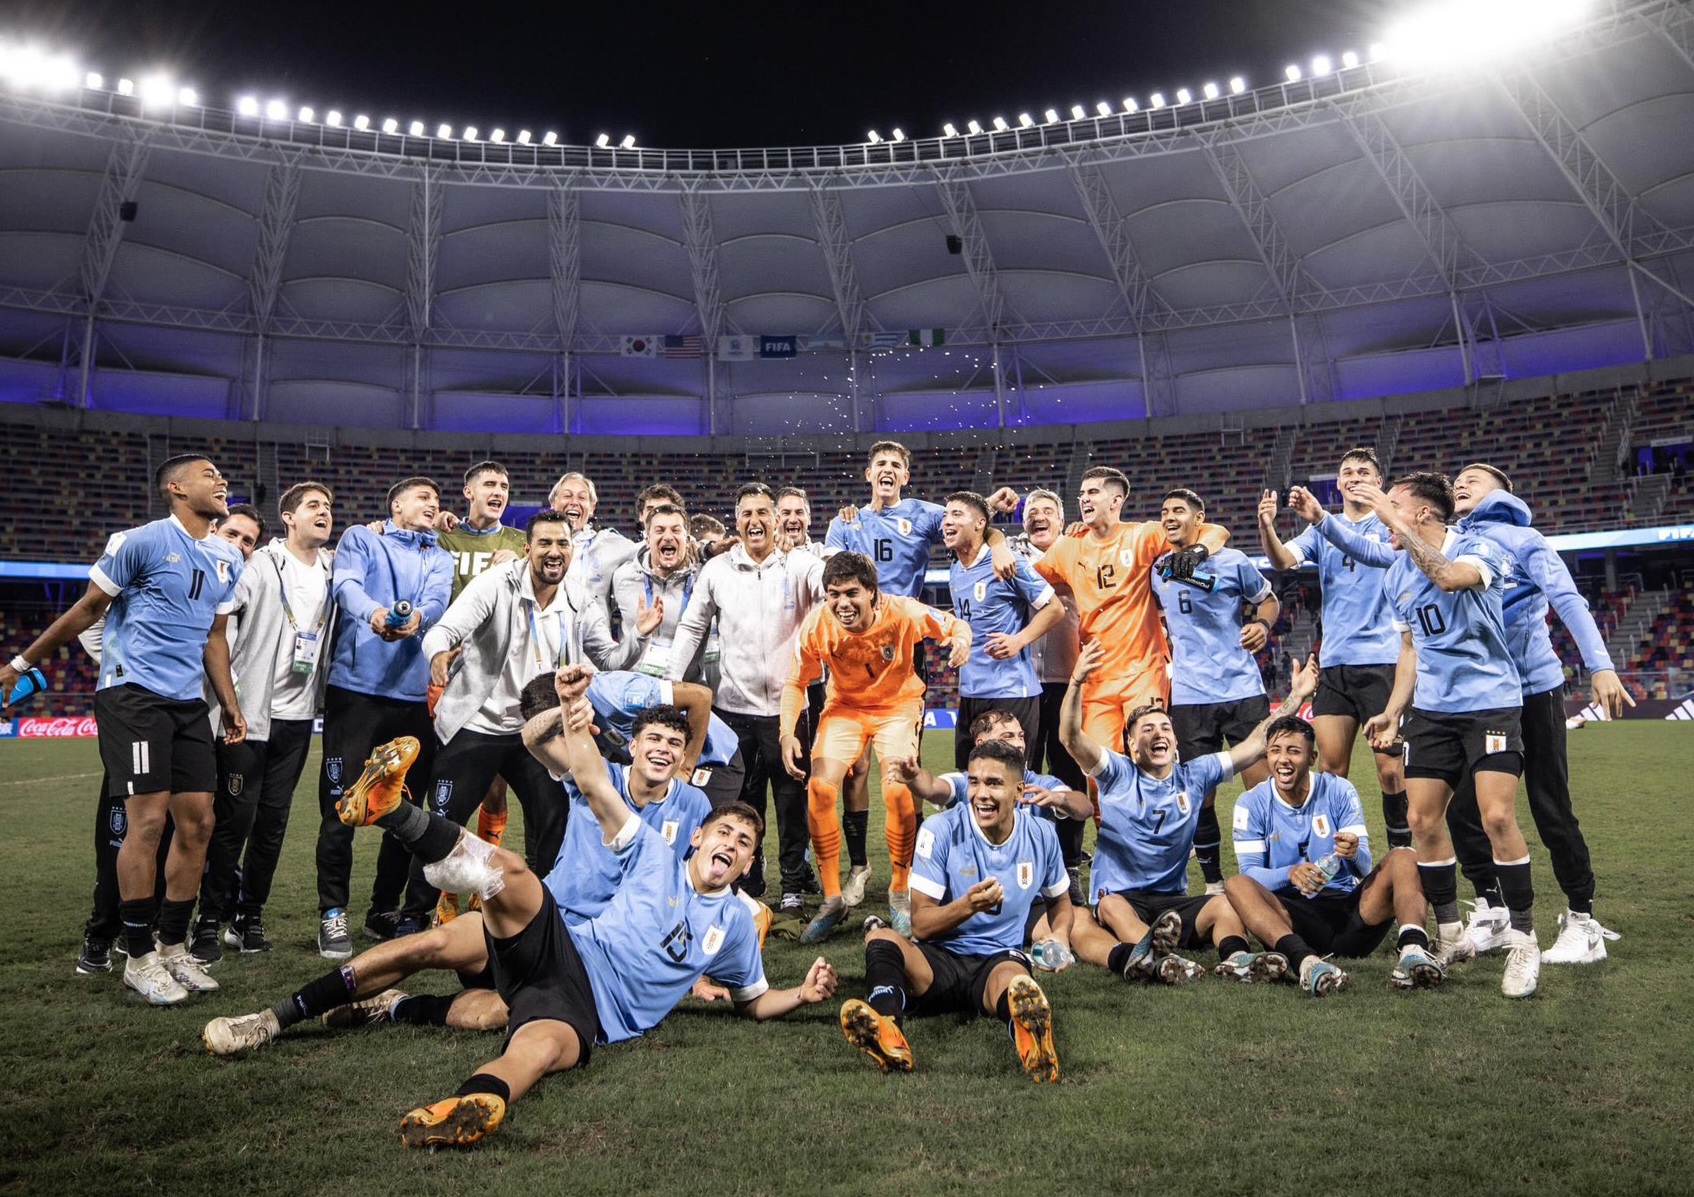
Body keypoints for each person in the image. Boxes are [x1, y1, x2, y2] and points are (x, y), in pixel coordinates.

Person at [269, 664, 833, 1148]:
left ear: (747, 864)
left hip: (588, 1006)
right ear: (694, 838)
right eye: (724, 834)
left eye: (743, 845)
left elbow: (753, 1000)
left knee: (530, 1045)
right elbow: (586, 776)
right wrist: (570, 704)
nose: (730, 846)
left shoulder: (736, 919)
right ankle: (390, 815)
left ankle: (462, 1101)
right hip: (562, 935)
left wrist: (801, 995)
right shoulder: (652, 853)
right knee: (491, 890)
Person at [202, 688, 715, 1050]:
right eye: (654, 740)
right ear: (633, 744)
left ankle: (397, 1005)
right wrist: (566, 705)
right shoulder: (598, 777)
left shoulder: (692, 807)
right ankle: (272, 1019)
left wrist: (687, 968)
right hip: (540, 914)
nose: (663, 750)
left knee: (495, 1012)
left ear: (682, 754)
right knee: (432, 944)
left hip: (587, 961)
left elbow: (690, 890)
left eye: (674, 744)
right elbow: (534, 739)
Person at [2, 454, 244, 1004]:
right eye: (210, 475)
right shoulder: (137, 541)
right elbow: (89, 608)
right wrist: (18, 666)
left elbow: (214, 637)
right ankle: (137, 957)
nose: (221, 481)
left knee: (200, 823)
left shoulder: (228, 558)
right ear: (177, 489)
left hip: (187, 704)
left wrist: (229, 704)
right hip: (132, 694)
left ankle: (173, 948)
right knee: (149, 822)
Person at [1326, 472, 1542, 998]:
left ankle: (1524, 941)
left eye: (1392, 507)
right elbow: (1411, 649)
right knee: (1421, 819)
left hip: (1491, 700)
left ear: (1421, 513)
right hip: (1434, 710)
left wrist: (1388, 511)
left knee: (1495, 816)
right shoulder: (1395, 573)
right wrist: (1394, 710)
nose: (1384, 520)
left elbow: (1447, 577)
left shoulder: (1480, 547)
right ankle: (1448, 934)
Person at [1447, 464, 1631, 962]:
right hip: (1481, 697)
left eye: (1475, 480)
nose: (1461, 483)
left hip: (1532, 690)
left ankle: (1583, 922)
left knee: (1549, 805)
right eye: (1457, 479)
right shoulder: (1448, 543)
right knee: (1463, 810)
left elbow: (1567, 599)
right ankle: (1493, 911)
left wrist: (1601, 666)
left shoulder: (1523, 538)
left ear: (1504, 493)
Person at [1060, 641, 1319, 987]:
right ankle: (1159, 958)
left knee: (1224, 904)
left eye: (1165, 728)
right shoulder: (1117, 772)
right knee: (1111, 907)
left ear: (1176, 742)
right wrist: (1077, 682)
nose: (1159, 734)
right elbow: (1071, 737)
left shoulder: (1194, 776)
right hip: (1124, 899)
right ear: (1133, 748)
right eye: (1147, 730)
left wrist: (1296, 697)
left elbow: (1257, 743)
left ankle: (1238, 959)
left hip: (1172, 905)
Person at [75, 504, 264, 974]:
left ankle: (165, 940)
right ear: (214, 529)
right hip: (138, 714)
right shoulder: (165, 560)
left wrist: (231, 707)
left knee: (195, 825)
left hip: (194, 719)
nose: (240, 545)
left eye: (249, 541)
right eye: (234, 533)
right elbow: (98, 620)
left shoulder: (230, 583)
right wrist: (127, 672)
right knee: (130, 830)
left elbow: (219, 648)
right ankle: (105, 934)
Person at [838, 739, 1069, 1082]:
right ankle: (888, 1031)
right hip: (938, 959)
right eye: (974, 782)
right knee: (882, 939)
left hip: (998, 960)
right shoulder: (939, 830)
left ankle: (1031, 1040)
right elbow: (922, 925)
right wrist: (968, 906)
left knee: (1014, 981)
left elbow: (1061, 902)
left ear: (1019, 791)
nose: (981, 794)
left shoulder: (1042, 834)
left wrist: (1060, 937)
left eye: (994, 783)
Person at [398, 510, 583, 934]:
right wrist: (440, 655)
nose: (554, 552)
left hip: (532, 732)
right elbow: (441, 632)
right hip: (477, 725)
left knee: (554, 812)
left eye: (562, 544)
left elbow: (600, 655)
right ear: (527, 549)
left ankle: (543, 910)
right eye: (545, 544)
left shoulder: (576, 595)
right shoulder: (495, 584)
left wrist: (639, 637)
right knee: (442, 822)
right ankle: (413, 916)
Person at [780, 551, 970, 943]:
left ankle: (900, 892)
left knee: (898, 789)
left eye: (851, 593)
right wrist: (787, 732)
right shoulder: (818, 624)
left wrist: (961, 642)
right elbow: (796, 683)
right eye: (833, 594)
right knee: (819, 789)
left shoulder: (903, 613)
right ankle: (833, 899)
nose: (842, 604)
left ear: (872, 593)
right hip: (845, 709)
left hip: (897, 708)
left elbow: (954, 624)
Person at [192, 481, 336, 962]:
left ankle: (248, 917)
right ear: (289, 517)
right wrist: (229, 698)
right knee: (235, 823)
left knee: (273, 824)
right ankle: (207, 919)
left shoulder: (335, 569)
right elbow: (221, 625)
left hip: (296, 720)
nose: (324, 512)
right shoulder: (258, 565)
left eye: (329, 506)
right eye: (313, 505)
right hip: (249, 718)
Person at [668, 483, 825, 910]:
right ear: (736, 522)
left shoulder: (798, 563)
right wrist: (669, 679)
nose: (754, 521)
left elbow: (823, 577)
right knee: (742, 807)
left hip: (790, 710)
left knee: (793, 803)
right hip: (732, 713)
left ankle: (792, 885)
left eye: (762, 512)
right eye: (746, 514)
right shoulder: (716, 570)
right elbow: (692, 628)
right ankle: (748, 885)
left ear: (776, 519)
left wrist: (828, 576)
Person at [315, 476, 454, 957]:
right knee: (342, 806)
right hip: (355, 691)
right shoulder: (362, 537)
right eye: (423, 497)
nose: (433, 504)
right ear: (396, 505)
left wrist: (419, 620)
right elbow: (346, 586)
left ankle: (381, 909)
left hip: (411, 697)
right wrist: (375, 615)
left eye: (437, 500)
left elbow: (437, 599)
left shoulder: (440, 554)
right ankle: (332, 914)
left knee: (404, 808)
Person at [1225, 715, 1443, 996]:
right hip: (1290, 919)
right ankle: (1305, 963)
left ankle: (1413, 951)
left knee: (1403, 856)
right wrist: (1290, 874)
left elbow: (1364, 867)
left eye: (1293, 751)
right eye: (1275, 751)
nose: (1283, 760)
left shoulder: (1339, 790)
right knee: (1235, 884)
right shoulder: (1250, 802)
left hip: (1349, 914)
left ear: (1312, 757)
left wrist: (1352, 853)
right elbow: (1251, 873)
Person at [1259, 447, 1411, 847]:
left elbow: (1380, 558)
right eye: (1347, 471)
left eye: (1363, 471)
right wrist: (1267, 528)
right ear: (1339, 482)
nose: (1354, 476)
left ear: (1379, 483)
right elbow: (1282, 561)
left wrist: (1322, 521)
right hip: (1335, 663)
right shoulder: (1319, 529)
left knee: (1391, 772)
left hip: (1383, 662)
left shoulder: (1391, 526)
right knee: (1329, 770)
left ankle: (1402, 853)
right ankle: (1328, 855)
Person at [1031, 466, 1227, 757]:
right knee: (1099, 771)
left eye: (1093, 492)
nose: (1084, 499)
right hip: (1096, 674)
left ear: (1116, 500)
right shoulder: (1068, 548)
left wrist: (1197, 552)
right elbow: (1026, 581)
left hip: (1143, 670)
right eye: (1082, 494)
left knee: (1150, 756)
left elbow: (1214, 531)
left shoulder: (1141, 536)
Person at [1151, 488, 1280, 893]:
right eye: (1164, 511)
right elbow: (1174, 583)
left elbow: (1269, 599)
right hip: (1190, 696)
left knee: (1261, 788)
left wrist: (1262, 625)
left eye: (1178, 511)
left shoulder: (1235, 561)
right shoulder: (1159, 568)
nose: (1169, 516)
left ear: (1199, 517)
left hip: (1241, 689)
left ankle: (1270, 878)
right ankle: (1213, 884)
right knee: (1200, 795)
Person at [424, 461, 528, 925]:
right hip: (451, 676)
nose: (499, 491)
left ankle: (480, 876)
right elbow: (406, 532)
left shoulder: (517, 542)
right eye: (489, 484)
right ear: (468, 491)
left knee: (495, 787)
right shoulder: (446, 539)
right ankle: (449, 884)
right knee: (453, 788)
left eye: (505, 486)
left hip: (499, 679)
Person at [942, 491, 1065, 773]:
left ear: (979, 524)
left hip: (1011, 691)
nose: (947, 522)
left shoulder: (1008, 563)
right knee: (969, 778)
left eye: (956, 515)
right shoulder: (956, 567)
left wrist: (1018, 640)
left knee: (1013, 783)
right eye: (945, 516)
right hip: (971, 690)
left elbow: (1055, 609)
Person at [1008, 488, 1087, 903]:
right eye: (1031, 512)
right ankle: (1026, 860)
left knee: (1068, 776)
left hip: (1065, 682)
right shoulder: (1012, 557)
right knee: (1020, 773)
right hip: (1022, 682)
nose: (1038, 517)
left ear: (1061, 520)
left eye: (1047, 512)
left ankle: (1070, 864)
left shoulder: (1078, 550)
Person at [550, 471, 637, 607]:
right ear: (553, 503)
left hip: (595, 628)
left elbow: (648, 553)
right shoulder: (537, 544)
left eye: (582, 498)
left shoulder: (607, 543)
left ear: (592, 508)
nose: (574, 502)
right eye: (567, 496)